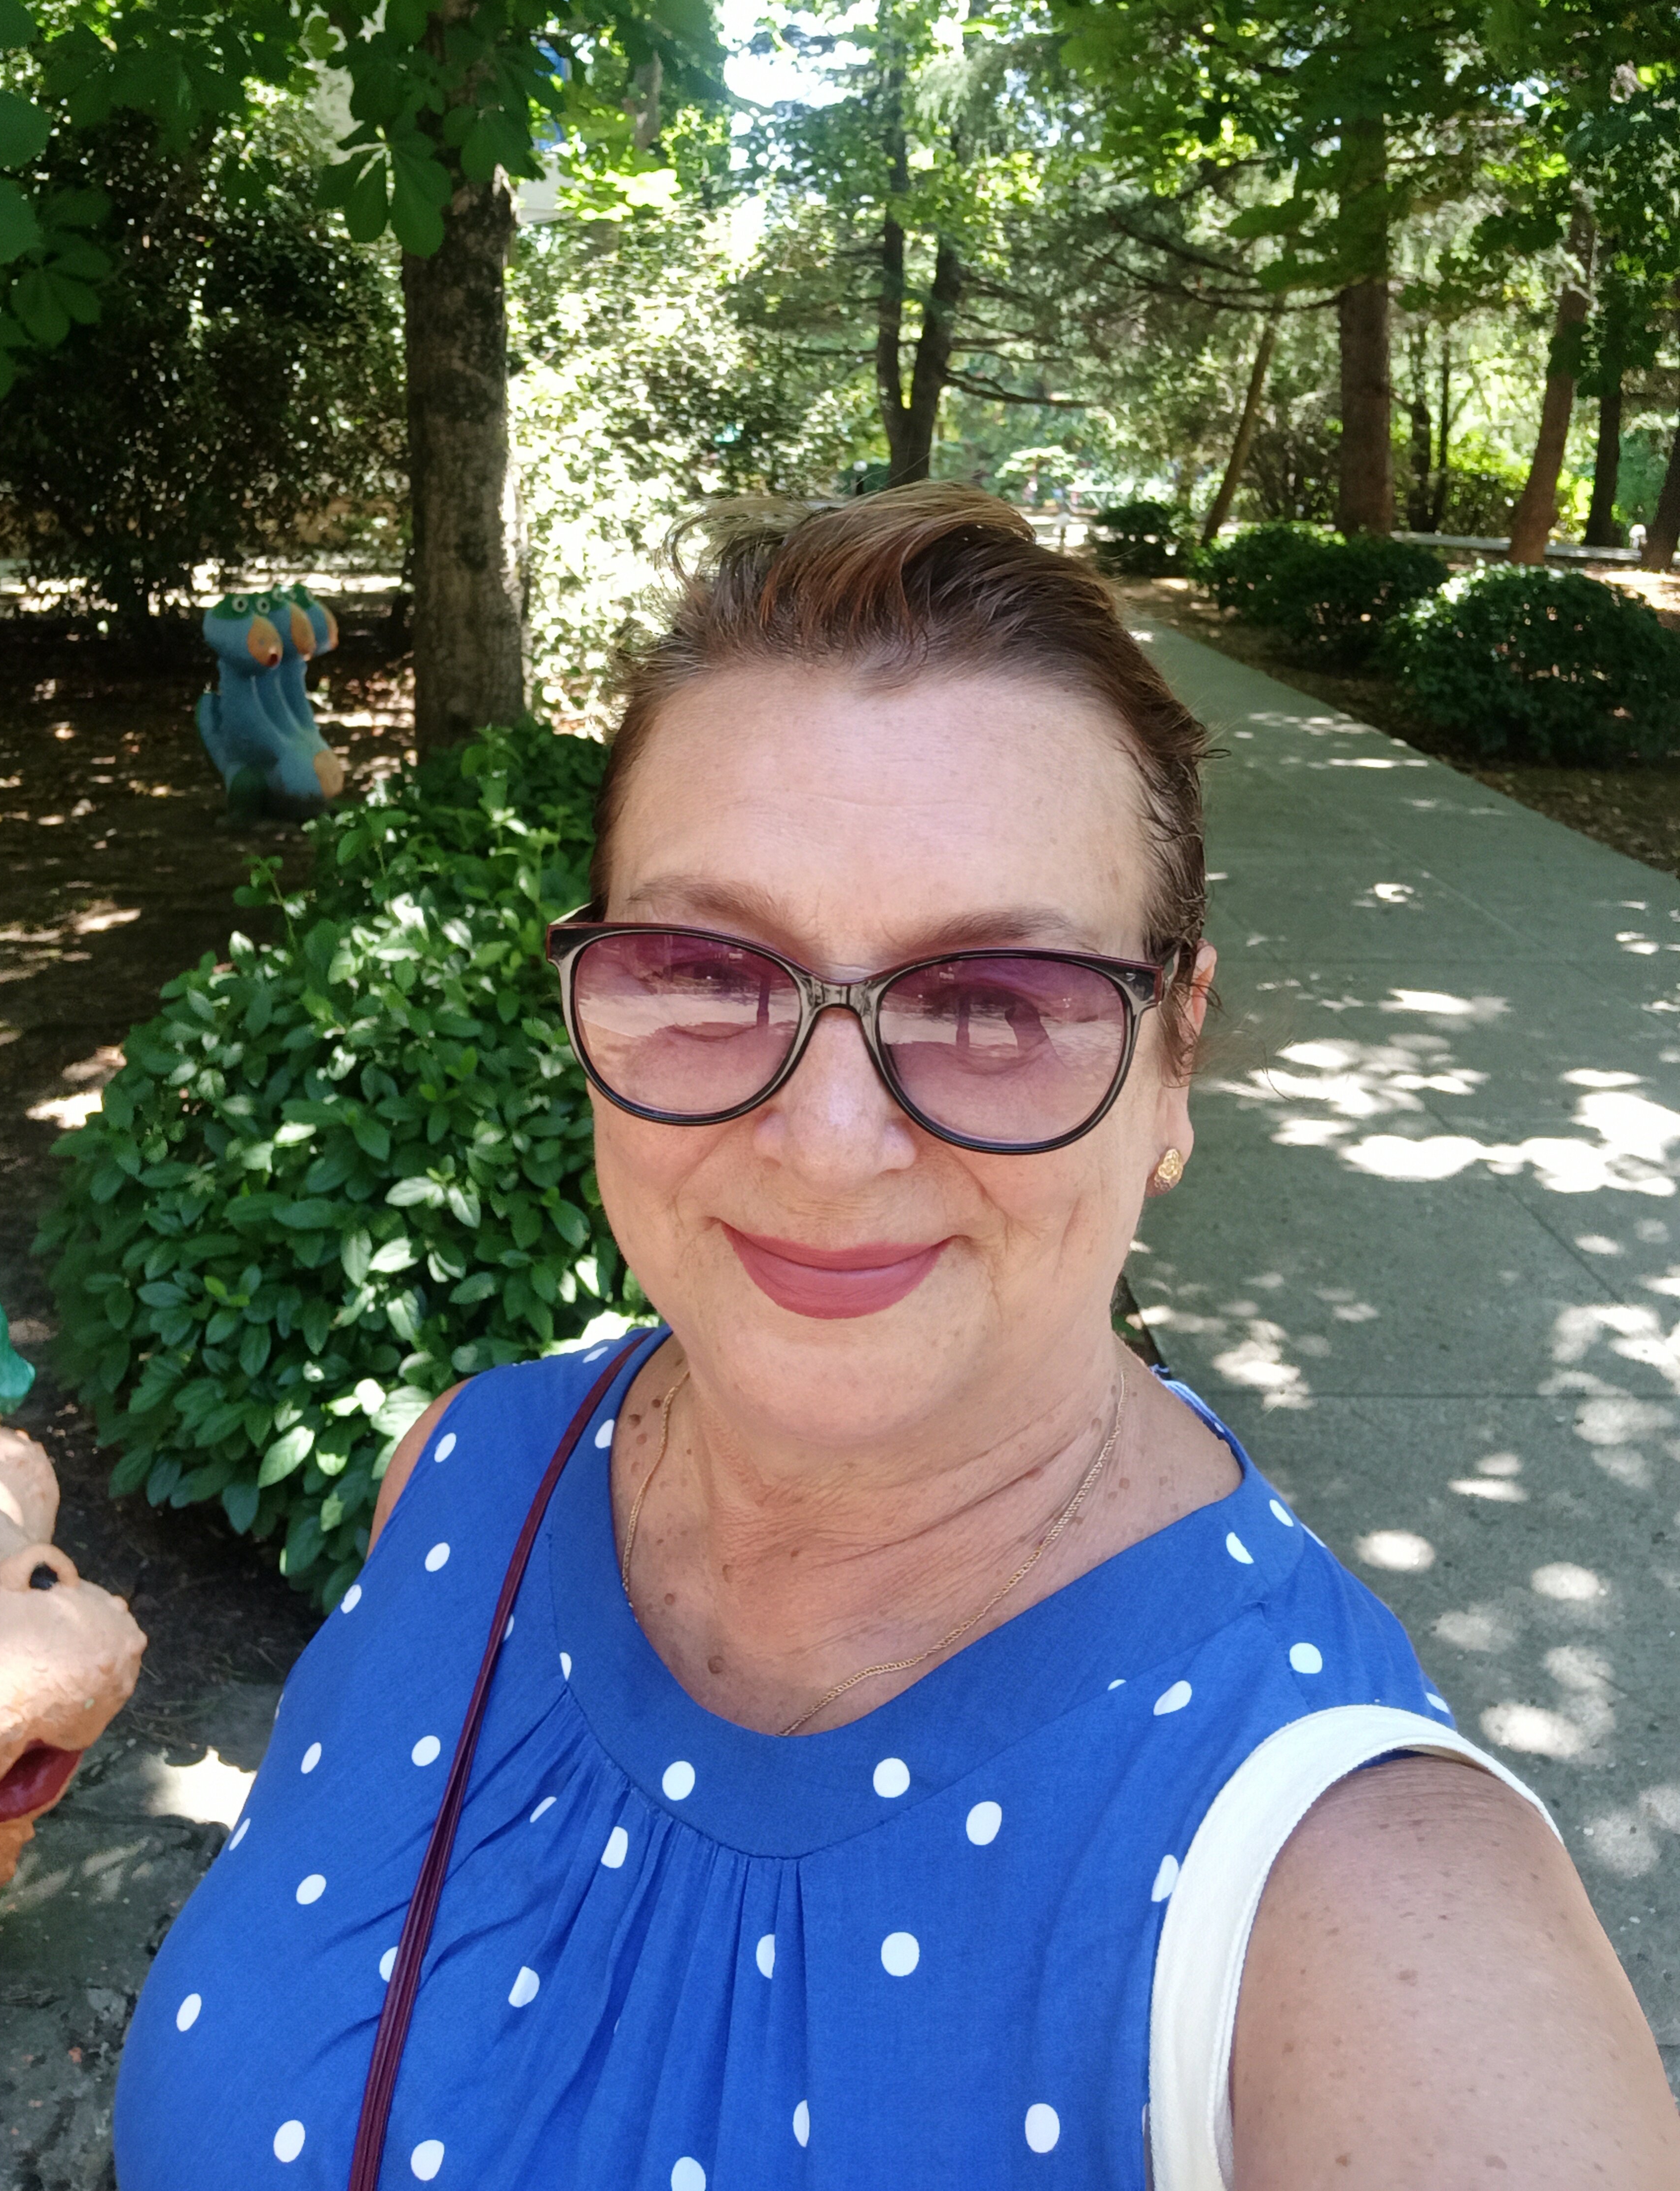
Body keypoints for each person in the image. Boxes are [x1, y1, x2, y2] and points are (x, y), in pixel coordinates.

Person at [114, 485, 1680, 2188]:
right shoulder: (464, 1475)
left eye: (994, 1003)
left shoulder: (1370, 1916)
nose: (828, 1142)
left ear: (1174, 1062)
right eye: (708, 970)